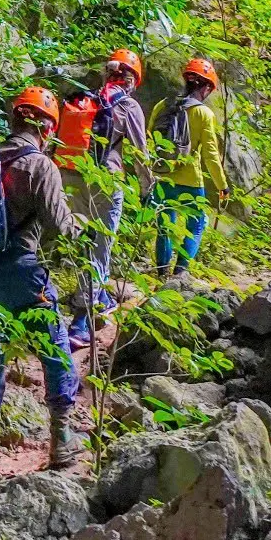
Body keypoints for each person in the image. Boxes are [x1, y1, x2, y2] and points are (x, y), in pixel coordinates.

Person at [0, 86, 84, 477]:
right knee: (54, 344)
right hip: (22, 273)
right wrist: (84, 232)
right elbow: (60, 225)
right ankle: (62, 439)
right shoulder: (41, 166)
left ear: (13, 119)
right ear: (46, 127)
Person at [75, 49, 152, 338]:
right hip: (106, 182)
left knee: (83, 244)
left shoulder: (87, 101)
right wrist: (148, 188)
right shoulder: (128, 106)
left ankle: (101, 298)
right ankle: (81, 320)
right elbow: (140, 153)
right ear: (132, 81)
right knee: (101, 245)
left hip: (75, 178)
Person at [154, 57, 229, 272]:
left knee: (164, 226)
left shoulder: (164, 105)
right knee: (196, 224)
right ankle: (180, 272)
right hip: (190, 179)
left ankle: (161, 271)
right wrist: (222, 186)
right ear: (206, 88)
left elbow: (150, 135)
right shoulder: (203, 113)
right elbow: (211, 155)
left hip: (163, 174)